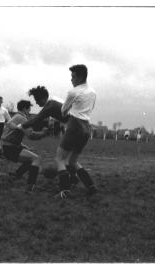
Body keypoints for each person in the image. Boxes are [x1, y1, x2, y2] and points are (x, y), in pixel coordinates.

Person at [54, 64, 97, 198]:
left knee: (59, 159)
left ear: (79, 78)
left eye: (73, 77)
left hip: (74, 125)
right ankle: (91, 186)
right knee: (72, 161)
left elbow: (63, 111)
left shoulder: (73, 92)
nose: (71, 80)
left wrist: (69, 107)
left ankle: (65, 191)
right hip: (86, 128)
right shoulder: (93, 92)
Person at [21, 85, 80, 185]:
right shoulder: (54, 101)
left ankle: (66, 186)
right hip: (79, 127)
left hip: (74, 128)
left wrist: (21, 125)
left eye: (37, 100)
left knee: (60, 158)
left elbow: (37, 119)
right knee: (68, 158)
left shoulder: (50, 105)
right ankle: (75, 179)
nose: (36, 102)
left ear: (44, 98)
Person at [1, 100, 48, 192]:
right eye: (29, 108)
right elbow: (31, 135)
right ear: (24, 109)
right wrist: (43, 133)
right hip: (10, 148)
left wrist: (24, 146)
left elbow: (11, 135)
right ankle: (31, 186)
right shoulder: (22, 118)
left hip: (8, 147)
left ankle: (16, 175)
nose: (30, 110)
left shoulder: (16, 116)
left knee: (30, 159)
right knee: (36, 159)